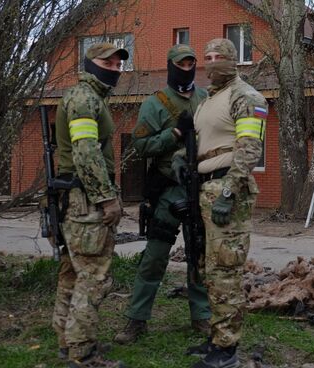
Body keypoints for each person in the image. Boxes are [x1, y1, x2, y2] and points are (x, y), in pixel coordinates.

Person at [176, 38, 266, 368]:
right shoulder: (208, 100)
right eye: (207, 57)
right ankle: (216, 339)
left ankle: (227, 351)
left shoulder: (246, 96)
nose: (211, 63)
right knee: (210, 271)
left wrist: (229, 193)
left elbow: (249, 148)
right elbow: (202, 144)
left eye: (219, 57)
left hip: (228, 188)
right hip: (204, 187)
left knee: (226, 269)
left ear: (233, 60)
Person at [114, 44, 211, 344]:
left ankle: (202, 317)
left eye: (191, 63)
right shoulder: (155, 104)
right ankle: (137, 320)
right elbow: (141, 146)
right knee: (155, 256)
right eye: (181, 64)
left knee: (199, 254)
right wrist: (176, 134)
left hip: (201, 186)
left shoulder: (205, 98)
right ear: (171, 66)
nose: (186, 68)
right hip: (168, 189)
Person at [52, 42, 128, 368]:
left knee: (71, 273)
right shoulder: (84, 98)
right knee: (93, 277)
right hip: (85, 201)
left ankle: (65, 340)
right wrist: (106, 197)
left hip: (77, 198)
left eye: (117, 63)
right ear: (89, 63)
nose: (113, 68)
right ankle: (82, 353)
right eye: (105, 62)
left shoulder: (91, 97)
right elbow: (86, 152)